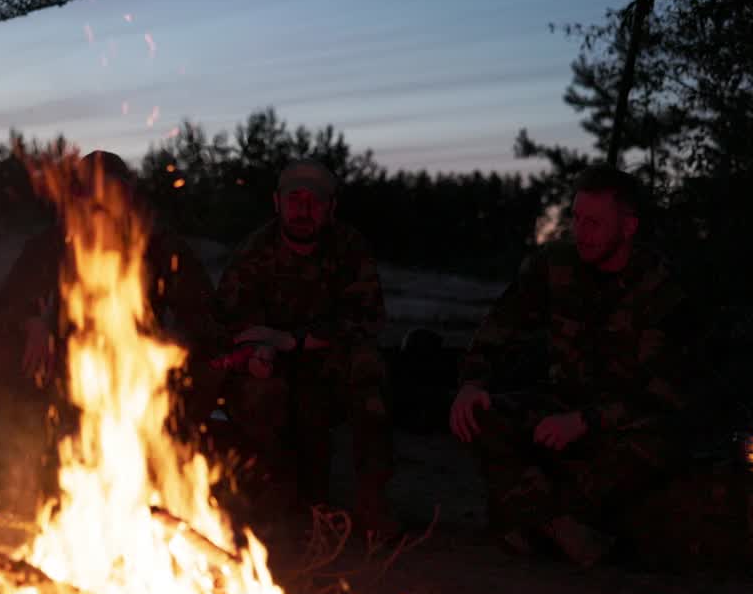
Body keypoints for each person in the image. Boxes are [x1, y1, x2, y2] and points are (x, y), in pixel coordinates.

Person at [449, 164, 698, 567]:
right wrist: (472, 383)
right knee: (480, 413)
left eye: (595, 223)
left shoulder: (663, 289)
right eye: (577, 219)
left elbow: (664, 394)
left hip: (623, 420)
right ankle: (559, 525)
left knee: (658, 445)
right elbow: (499, 327)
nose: (582, 231)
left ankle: (531, 517)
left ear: (628, 227)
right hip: (560, 402)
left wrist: (587, 421)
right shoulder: (555, 264)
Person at [212, 159, 395, 541]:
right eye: (294, 199)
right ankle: (276, 501)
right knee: (259, 392)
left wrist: (296, 340)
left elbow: (367, 317)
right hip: (272, 366)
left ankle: (372, 509)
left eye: (314, 200)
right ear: (277, 203)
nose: (303, 209)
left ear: (330, 207)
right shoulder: (254, 251)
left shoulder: (350, 248)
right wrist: (260, 348)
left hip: (327, 360)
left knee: (367, 370)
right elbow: (231, 320)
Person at [0, 150, 222, 427]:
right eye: (90, 191)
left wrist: (165, 348)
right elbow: (8, 302)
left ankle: (169, 443)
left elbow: (203, 313)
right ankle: (34, 442)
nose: (99, 202)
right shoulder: (52, 244)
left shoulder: (157, 245)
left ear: (126, 196)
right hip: (72, 361)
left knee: (204, 370)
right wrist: (32, 323)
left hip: (143, 362)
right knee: (13, 353)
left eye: (109, 192)